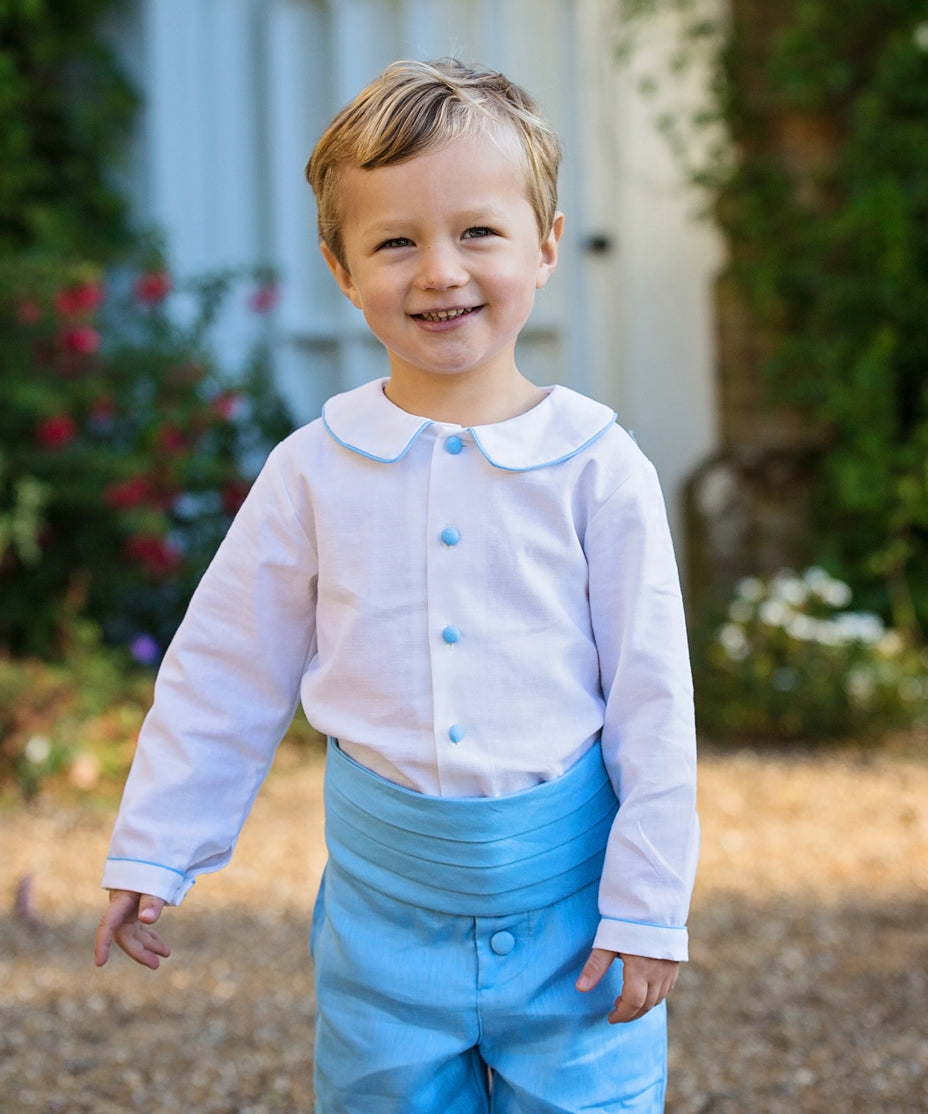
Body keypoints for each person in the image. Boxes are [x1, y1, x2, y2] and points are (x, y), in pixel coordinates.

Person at [95, 58, 699, 1114]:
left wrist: (646, 905)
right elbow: (226, 669)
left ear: (546, 244)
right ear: (339, 266)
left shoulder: (599, 467)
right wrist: (157, 845)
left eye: (477, 232)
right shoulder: (314, 468)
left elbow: (653, 702)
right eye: (394, 241)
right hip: (385, 921)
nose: (438, 271)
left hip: (573, 917)